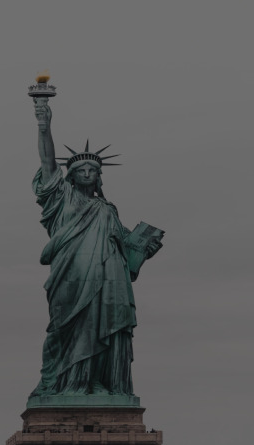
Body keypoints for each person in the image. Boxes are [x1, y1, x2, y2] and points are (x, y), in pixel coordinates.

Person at [29, 98, 162, 398]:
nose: (88, 174)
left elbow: (126, 250)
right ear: (71, 176)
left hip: (110, 281)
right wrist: (43, 124)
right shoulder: (61, 200)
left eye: (93, 170)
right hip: (72, 277)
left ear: (99, 177)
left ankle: (98, 382)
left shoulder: (108, 210)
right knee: (70, 327)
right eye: (81, 170)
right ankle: (69, 382)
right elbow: (48, 164)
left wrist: (142, 249)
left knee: (106, 325)